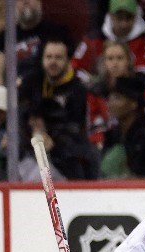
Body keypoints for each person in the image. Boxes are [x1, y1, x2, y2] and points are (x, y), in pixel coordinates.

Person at [17, 37, 98, 180]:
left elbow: (76, 131)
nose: (53, 62)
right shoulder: (32, 82)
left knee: (37, 178)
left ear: (68, 61)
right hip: (33, 152)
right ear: (42, 59)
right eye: (49, 57)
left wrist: (54, 142)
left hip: (66, 160)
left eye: (58, 57)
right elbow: (21, 114)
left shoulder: (78, 89)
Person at [87, 40, 145, 149]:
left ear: (129, 61)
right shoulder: (96, 92)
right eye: (110, 59)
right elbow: (95, 126)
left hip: (139, 143)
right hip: (105, 145)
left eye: (120, 58)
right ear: (104, 62)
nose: (115, 63)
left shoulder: (143, 89)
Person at [72, 0, 145, 84]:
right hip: (96, 93)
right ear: (111, 16)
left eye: (128, 18)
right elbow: (74, 69)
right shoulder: (93, 40)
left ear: (136, 16)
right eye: (119, 18)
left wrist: (113, 83)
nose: (123, 24)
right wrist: (91, 81)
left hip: (133, 94)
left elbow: (144, 77)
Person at [99, 75, 145, 179]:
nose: (110, 103)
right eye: (109, 98)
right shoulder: (112, 134)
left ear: (133, 104)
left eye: (117, 98)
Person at [0, 0, 72, 82]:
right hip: (14, 90)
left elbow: (69, 66)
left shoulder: (57, 32)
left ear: (40, 2)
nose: (25, 2)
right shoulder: (6, 36)